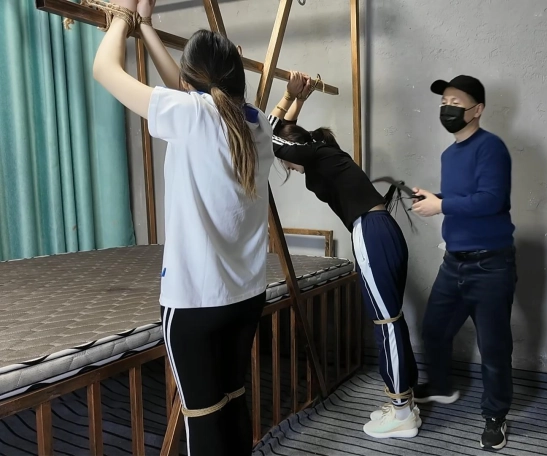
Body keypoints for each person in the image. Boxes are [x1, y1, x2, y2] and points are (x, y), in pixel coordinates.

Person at [92, 1, 276, 454]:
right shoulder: (257, 124)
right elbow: (188, 88)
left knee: (204, 418)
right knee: (232, 402)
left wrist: (122, 17)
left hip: (195, 303)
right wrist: (147, 27)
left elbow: (104, 69)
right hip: (246, 298)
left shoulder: (191, 115)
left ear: (192, 82)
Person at [264, 73, 421, 439]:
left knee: (385, 322)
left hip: (370, 232)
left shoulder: (312, 152)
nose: (290, 168)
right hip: (385, 229)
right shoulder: (321, 150)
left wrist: (286, 96)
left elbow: (266, 133)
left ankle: (402, 413)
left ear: (293, 152)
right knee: (392, 318)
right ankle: (403, 402)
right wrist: (299, 101)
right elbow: (288, 133)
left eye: (288, 163)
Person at [411, 75, 517, 451]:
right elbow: (464, 197)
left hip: (490, 265)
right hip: (453, 263)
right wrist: (436, 196)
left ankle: (495, 416)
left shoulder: (491, 147)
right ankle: (442, 386)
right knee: (434, 330)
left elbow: (491, 199)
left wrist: (441, 205)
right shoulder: (449, 154)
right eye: (444, 102)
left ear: (477, 109)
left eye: (456, 102)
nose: (447, 108)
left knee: (494, 348)